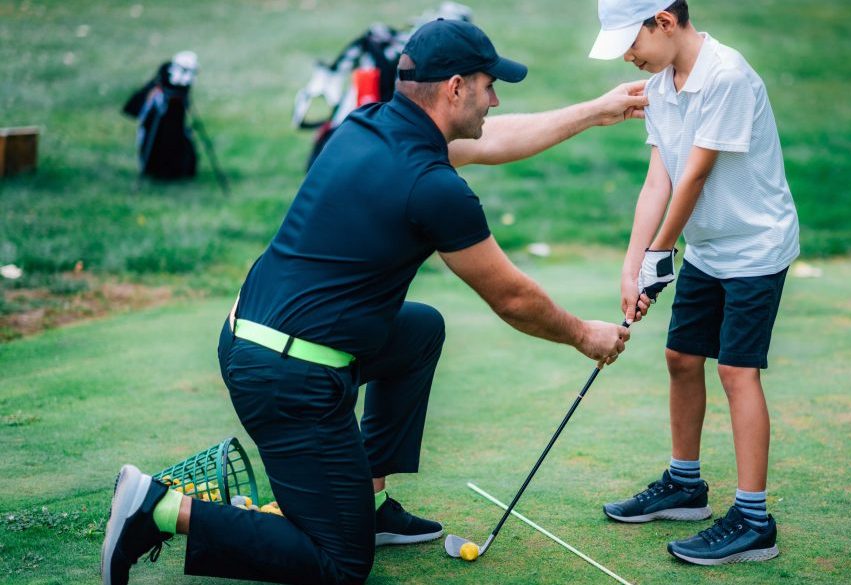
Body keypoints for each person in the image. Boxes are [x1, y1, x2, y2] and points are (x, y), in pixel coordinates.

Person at [101, 18, 648, 585]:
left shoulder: (366, 127)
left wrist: (595, 110)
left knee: (418, 331)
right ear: (455, 88)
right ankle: (158, 509)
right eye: (489, 86)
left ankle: (369, 500)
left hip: (253, 336)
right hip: (289, 382)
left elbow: (500, 136)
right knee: (340, 563)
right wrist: (585, 335)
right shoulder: (432, 185)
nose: (495, 99)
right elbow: (512, 298)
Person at [588, 0, 800, 566]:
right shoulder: (661, 85)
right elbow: (661, 177)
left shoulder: (726, 75)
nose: (627, 56)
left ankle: (755, 520)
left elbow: (698, 174)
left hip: (755, 245)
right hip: (708, 246)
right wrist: (634, 264)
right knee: (682, 357)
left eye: (630, 42)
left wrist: (661, 252)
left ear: (664, 20)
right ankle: (686, 486)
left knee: (736, 369)